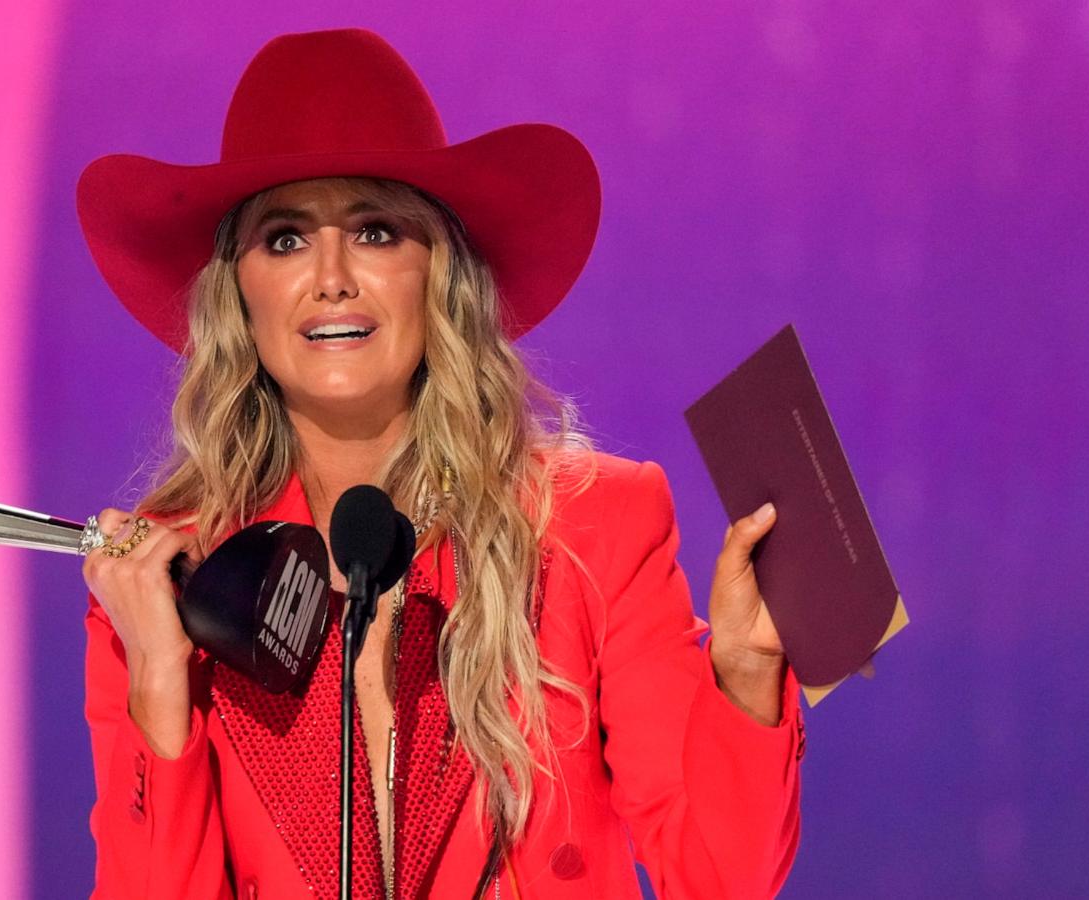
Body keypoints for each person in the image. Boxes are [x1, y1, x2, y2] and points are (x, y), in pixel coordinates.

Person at [75, 28, 804, 900]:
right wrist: (160, 673)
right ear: (238, 292)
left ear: (441, 275)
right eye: (284, 240)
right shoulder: (170, 570)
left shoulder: (593, 527)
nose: (332, 278)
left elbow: (720, 880)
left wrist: (749, 672)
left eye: (377, 232)